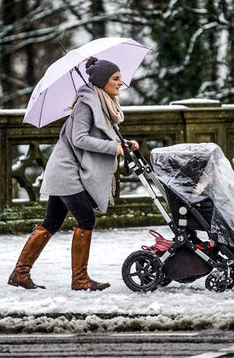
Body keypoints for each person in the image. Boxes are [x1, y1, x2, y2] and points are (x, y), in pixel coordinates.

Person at [8, 56, 139, 291]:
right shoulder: (86, 105)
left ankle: (20, 273)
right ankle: (79, 280)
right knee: (86, 219)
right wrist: (113, 148)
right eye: (116, 78)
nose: (121, 83)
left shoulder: (103, 103)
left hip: (71, 170)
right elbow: (80, 139)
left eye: (121, 78)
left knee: (52, 222)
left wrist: (125, 144)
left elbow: (103, 136)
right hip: (67, 171)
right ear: (102, 81)